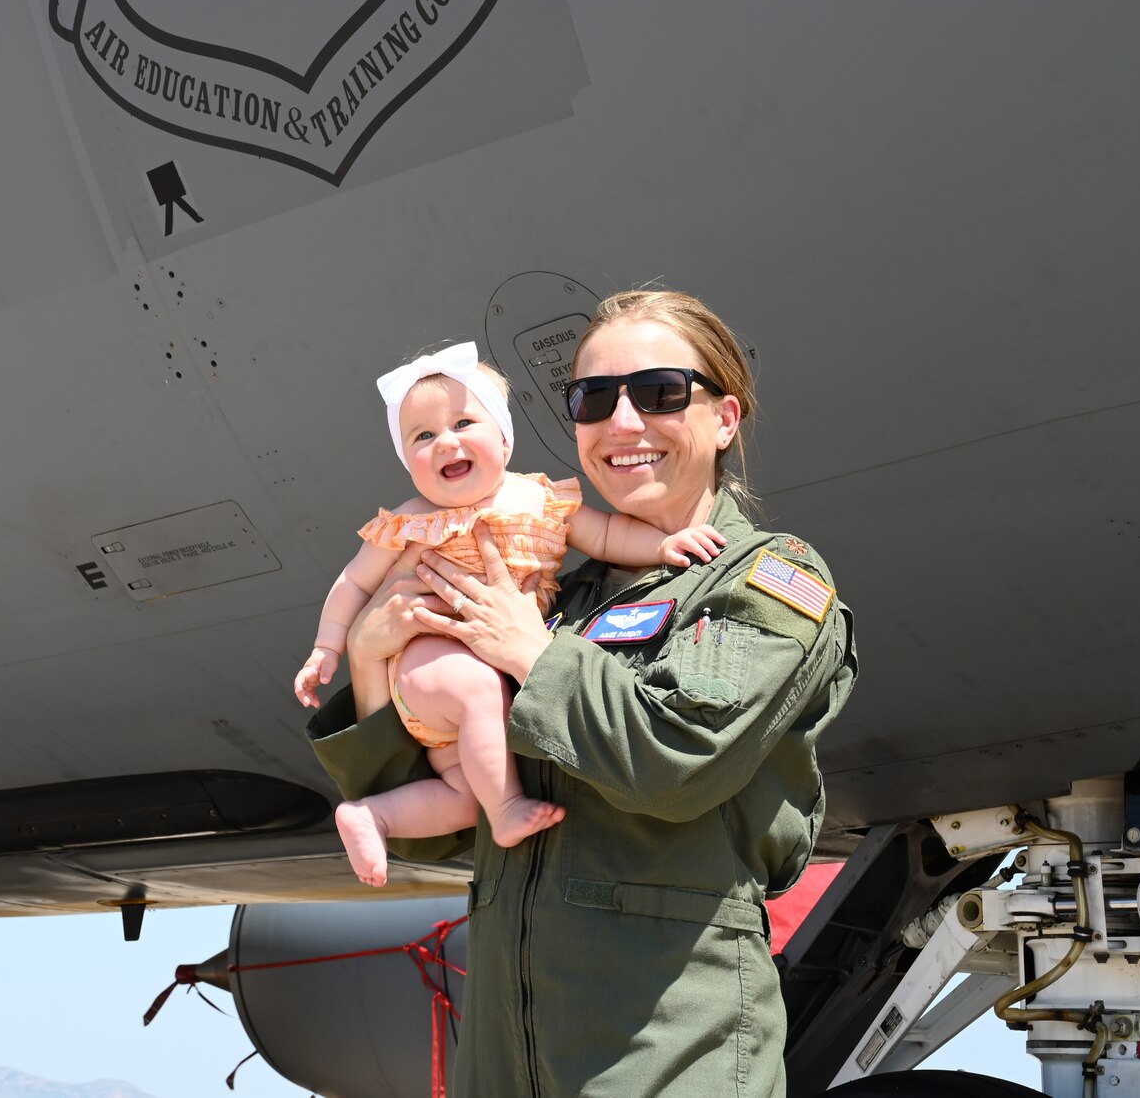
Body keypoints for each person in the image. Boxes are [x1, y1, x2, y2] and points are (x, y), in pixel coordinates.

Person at [307, 291, 857, 1098]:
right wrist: (366, 653)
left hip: (663, 1060)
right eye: (595, 399)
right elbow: (435, 831)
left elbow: (675, 763)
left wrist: (532, 653)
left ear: (726, 418)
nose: (623, 422)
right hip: (506, 1061)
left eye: (661, 391)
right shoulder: (556, 594)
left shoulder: (770, 581)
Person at [293, 342, 725, 886]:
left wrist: (664, 545)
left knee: (465, 793)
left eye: (463, 422)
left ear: (503, 438)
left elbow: (610, 534)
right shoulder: (409, 521)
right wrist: (330, 647)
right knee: (479, 695)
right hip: (435, 662)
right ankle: (508, 811)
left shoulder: (539, 500)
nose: (445, 441)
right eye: (422, 438)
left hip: (483, 698)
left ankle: (374, 816)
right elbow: (354, 581)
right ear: (407, 463)